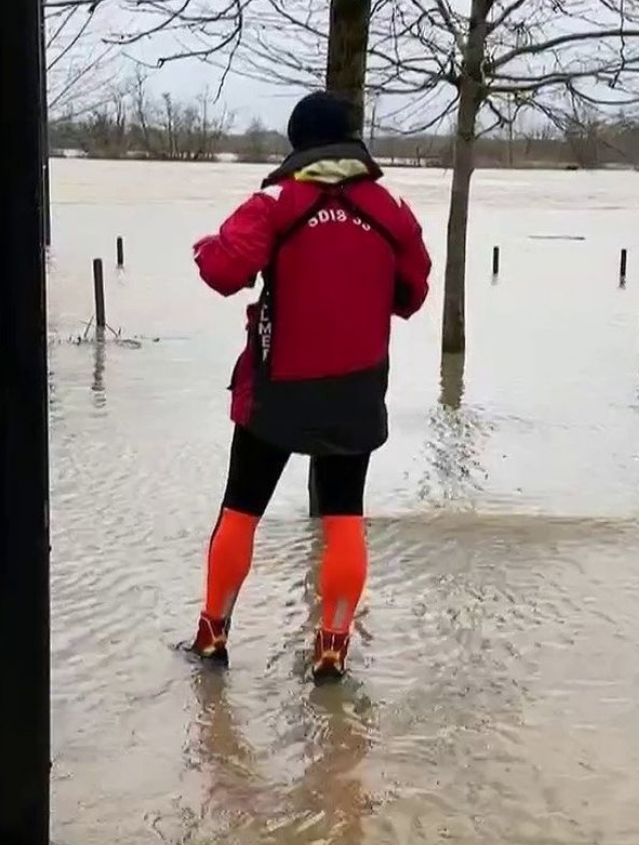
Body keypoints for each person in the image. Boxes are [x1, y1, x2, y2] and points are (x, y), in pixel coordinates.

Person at [185, 92, 432, 682]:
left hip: (279, 388)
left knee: (241, 509)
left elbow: (224, 271)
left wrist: (206, 246)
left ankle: (213, 636)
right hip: (356, 388)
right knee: (344, 516)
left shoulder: (277, 201)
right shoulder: (388, 205)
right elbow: (414, 291)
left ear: (297, 144)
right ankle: (331, 647)